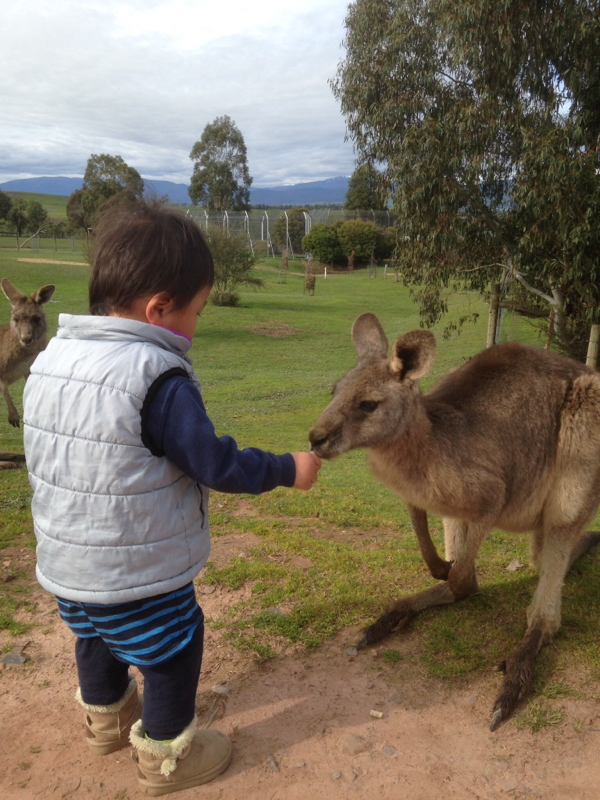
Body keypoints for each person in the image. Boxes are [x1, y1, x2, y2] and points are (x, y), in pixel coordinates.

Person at [22, 203, 322, 795]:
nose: (196, 325)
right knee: (173, 649)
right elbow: (215, 462)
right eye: (197, 311)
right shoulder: (157, 377)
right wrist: (288, 468)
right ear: (159, 309)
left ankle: (107, 722)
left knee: (95, 636)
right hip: (137, 572)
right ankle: (168, 756)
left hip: (65, 567)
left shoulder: (51, 358)